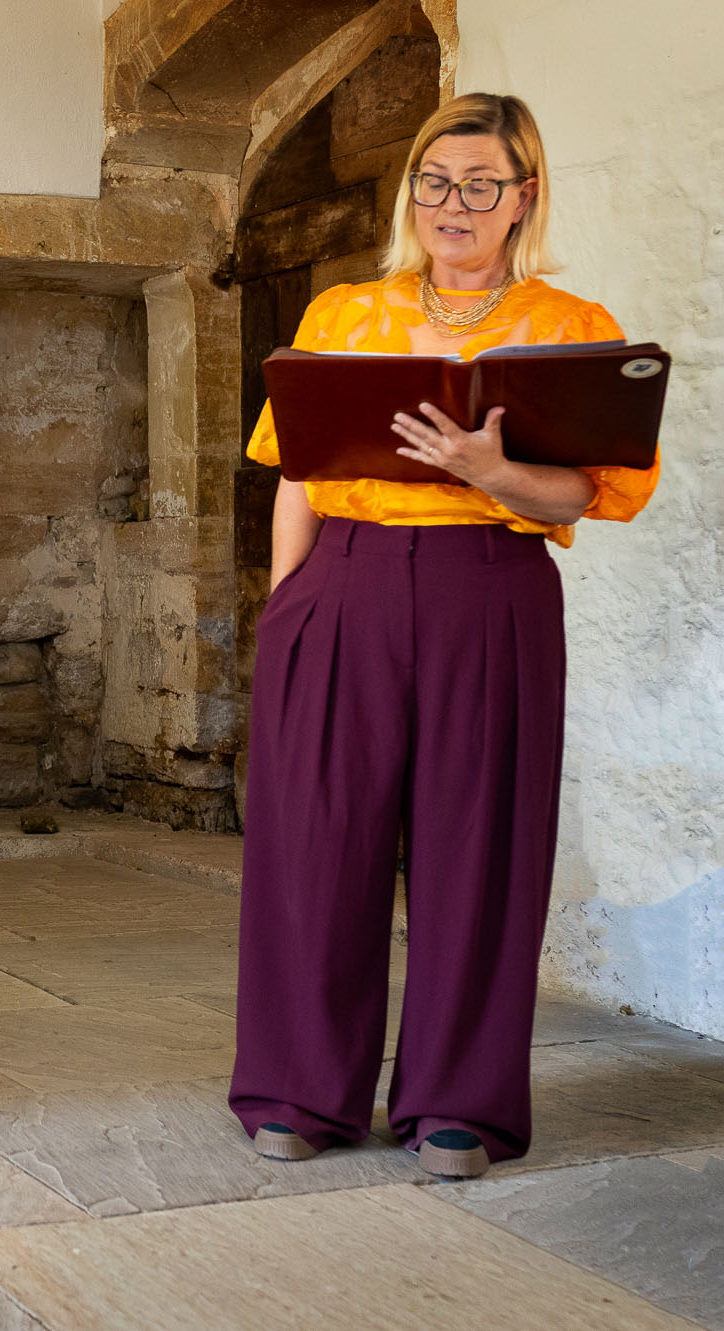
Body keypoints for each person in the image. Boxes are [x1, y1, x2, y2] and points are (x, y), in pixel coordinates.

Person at [228, 93, 660, 1180]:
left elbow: (578, 495)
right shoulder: (340, 316)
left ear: (521, 199)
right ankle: (297, 1090)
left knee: (479, 848)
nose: (449, 204)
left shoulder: (571, 329)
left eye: (477, 185)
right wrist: (285, 614)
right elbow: (298, 476)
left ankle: (455, 1105)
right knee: (314, 841)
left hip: (491, 592)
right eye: (432, 181)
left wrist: (489, 472)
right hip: (342, 587)